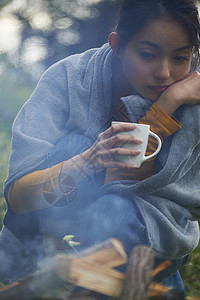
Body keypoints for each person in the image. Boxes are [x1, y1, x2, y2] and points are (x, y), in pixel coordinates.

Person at [1, 0, 200, 293]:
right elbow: (18, 198)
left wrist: (168, 105)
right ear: (117, 45)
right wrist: (85, 162)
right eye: (148, 55)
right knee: (74, 146)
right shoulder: (69, 79)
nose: (165, 74)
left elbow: (131, 185)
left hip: (143, 238)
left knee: (113, 209)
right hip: (51, 237)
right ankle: (54, 269)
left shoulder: (193, 98)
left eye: (181, 58)